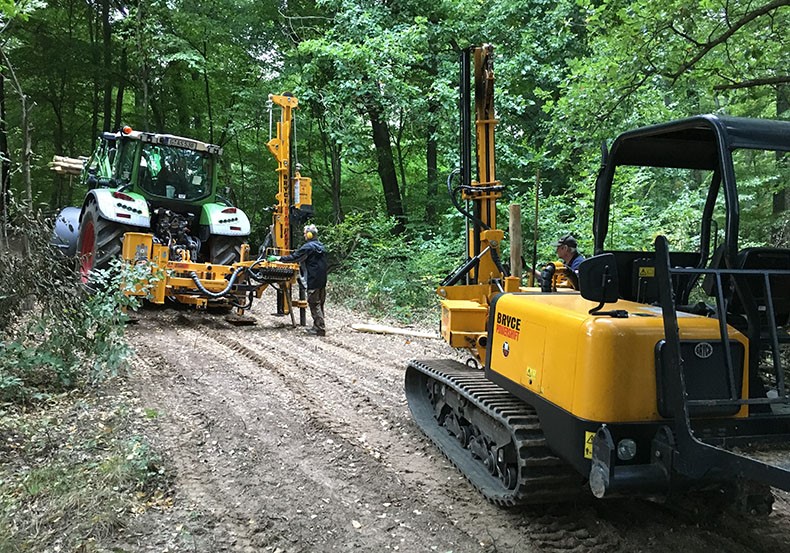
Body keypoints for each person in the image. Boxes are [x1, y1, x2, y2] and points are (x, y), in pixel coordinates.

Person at [269, 224, 328, 336]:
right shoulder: (321, 246)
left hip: (313, 280)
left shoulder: (307, 248)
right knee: (320, 304)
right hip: (322, 280)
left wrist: (278, 258)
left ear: (309, 234)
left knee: (314, 304)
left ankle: (320, 329)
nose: (304, 235)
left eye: (305, 233)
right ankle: (318, 325)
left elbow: (294, 257)